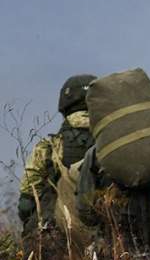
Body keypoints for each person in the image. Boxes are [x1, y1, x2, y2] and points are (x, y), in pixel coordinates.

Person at [19, 74, 95, 241]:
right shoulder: (113, 141)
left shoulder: (49, 146)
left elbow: (26, 203)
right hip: (111, 233)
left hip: (60, 233)